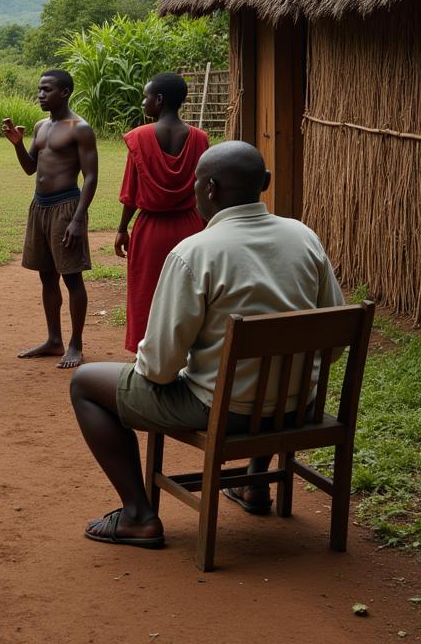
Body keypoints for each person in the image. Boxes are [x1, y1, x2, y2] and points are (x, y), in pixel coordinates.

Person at [70, 141, 344, 549]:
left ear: (210, 189)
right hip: (298, 405)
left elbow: (159, 368)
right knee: (263, 370)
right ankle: (254, 486)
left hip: (226, 411)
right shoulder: (304, 238)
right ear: (264, 183)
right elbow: (334, 335)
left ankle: (138, 515)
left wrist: (179, 370)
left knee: (85, 383)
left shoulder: (194, 253)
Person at [1, 69, 98, 368]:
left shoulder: (79, 128)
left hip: (65, 207)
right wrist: (18, 144)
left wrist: (78, 219)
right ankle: (54, 340)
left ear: (65, 92)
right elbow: (31, 168)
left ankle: (75, 344)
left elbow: (91, 175)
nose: (40, 94)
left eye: (47, 90)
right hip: (39, 206)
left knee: (72, 277)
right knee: (46, 275)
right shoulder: (41, 126)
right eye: (39, 89)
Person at [115, 73, 210, 352]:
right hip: (191, 227)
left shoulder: (139, 137)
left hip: (151, 229)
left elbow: (130, 194)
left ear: (158, 100)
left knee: (147, 291)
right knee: (189, 292)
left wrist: (122, 228)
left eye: (146, 97)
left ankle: (147, 353)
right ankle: (189, 349)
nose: (144, 102)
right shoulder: (200, 139)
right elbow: (205, 190)